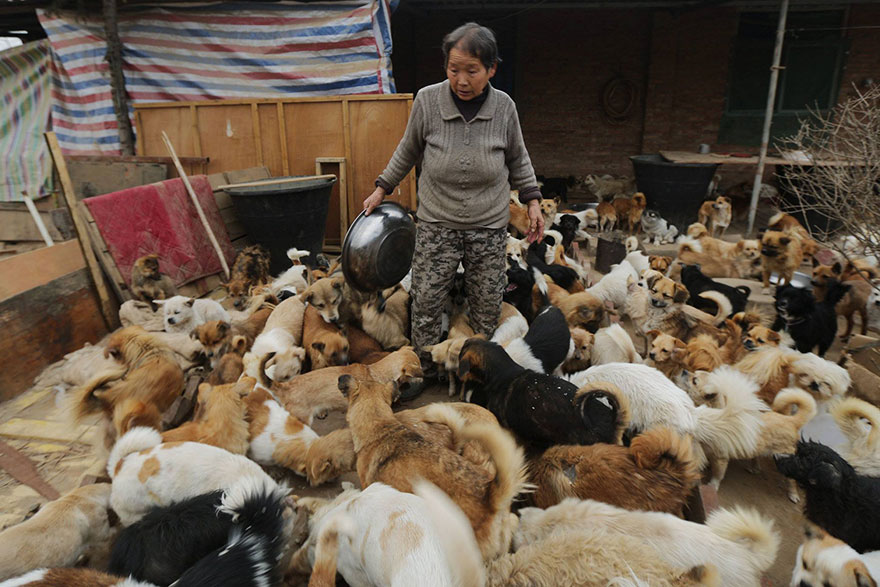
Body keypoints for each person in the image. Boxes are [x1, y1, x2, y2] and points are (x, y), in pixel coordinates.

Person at [363, 22, 544, 381]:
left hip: (488, 227)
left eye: (472, 71)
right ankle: (423, 370)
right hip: (437, 223)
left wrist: (533, 201)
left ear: (491, 69)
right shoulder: (428, 101)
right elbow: (407, 149)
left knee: (487, 305)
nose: (461, 80)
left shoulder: (504, 107)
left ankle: (475, 372)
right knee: (427, 302)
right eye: (453, 69)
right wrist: (382, 188)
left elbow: (518, 159)